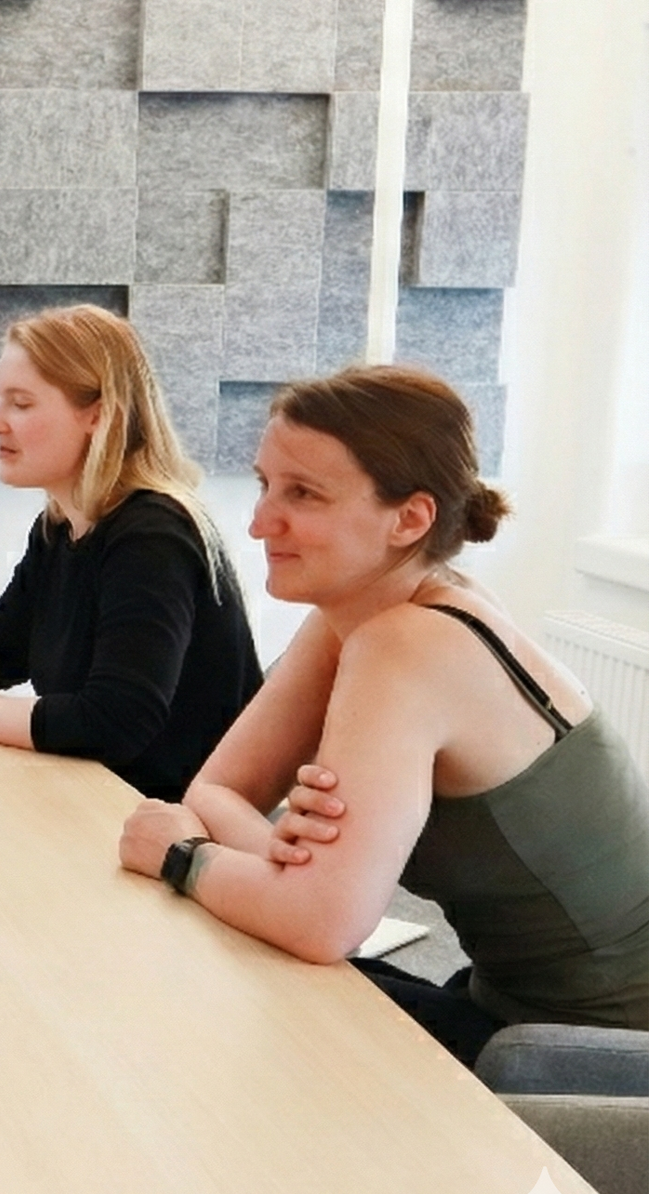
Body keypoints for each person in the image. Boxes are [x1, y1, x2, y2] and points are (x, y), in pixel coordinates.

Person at [120, 366, 649, 1064]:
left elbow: (321, 924)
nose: (258, 522)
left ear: (410, 518)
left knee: (209, 1019)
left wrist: (183, 857)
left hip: (589, 1057)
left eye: (303, 494)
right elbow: (214, 793)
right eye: (264, 485)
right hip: (504, 1006)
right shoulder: (363, 612)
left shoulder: (409, 644)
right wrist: (288, 872)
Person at [0, 305, 262, 799]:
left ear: (98, 416)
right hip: (98, 799)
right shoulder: (60, 525)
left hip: (164, 822)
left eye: (20, 404)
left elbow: (115, 721)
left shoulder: (153, 537)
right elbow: (1, 644)